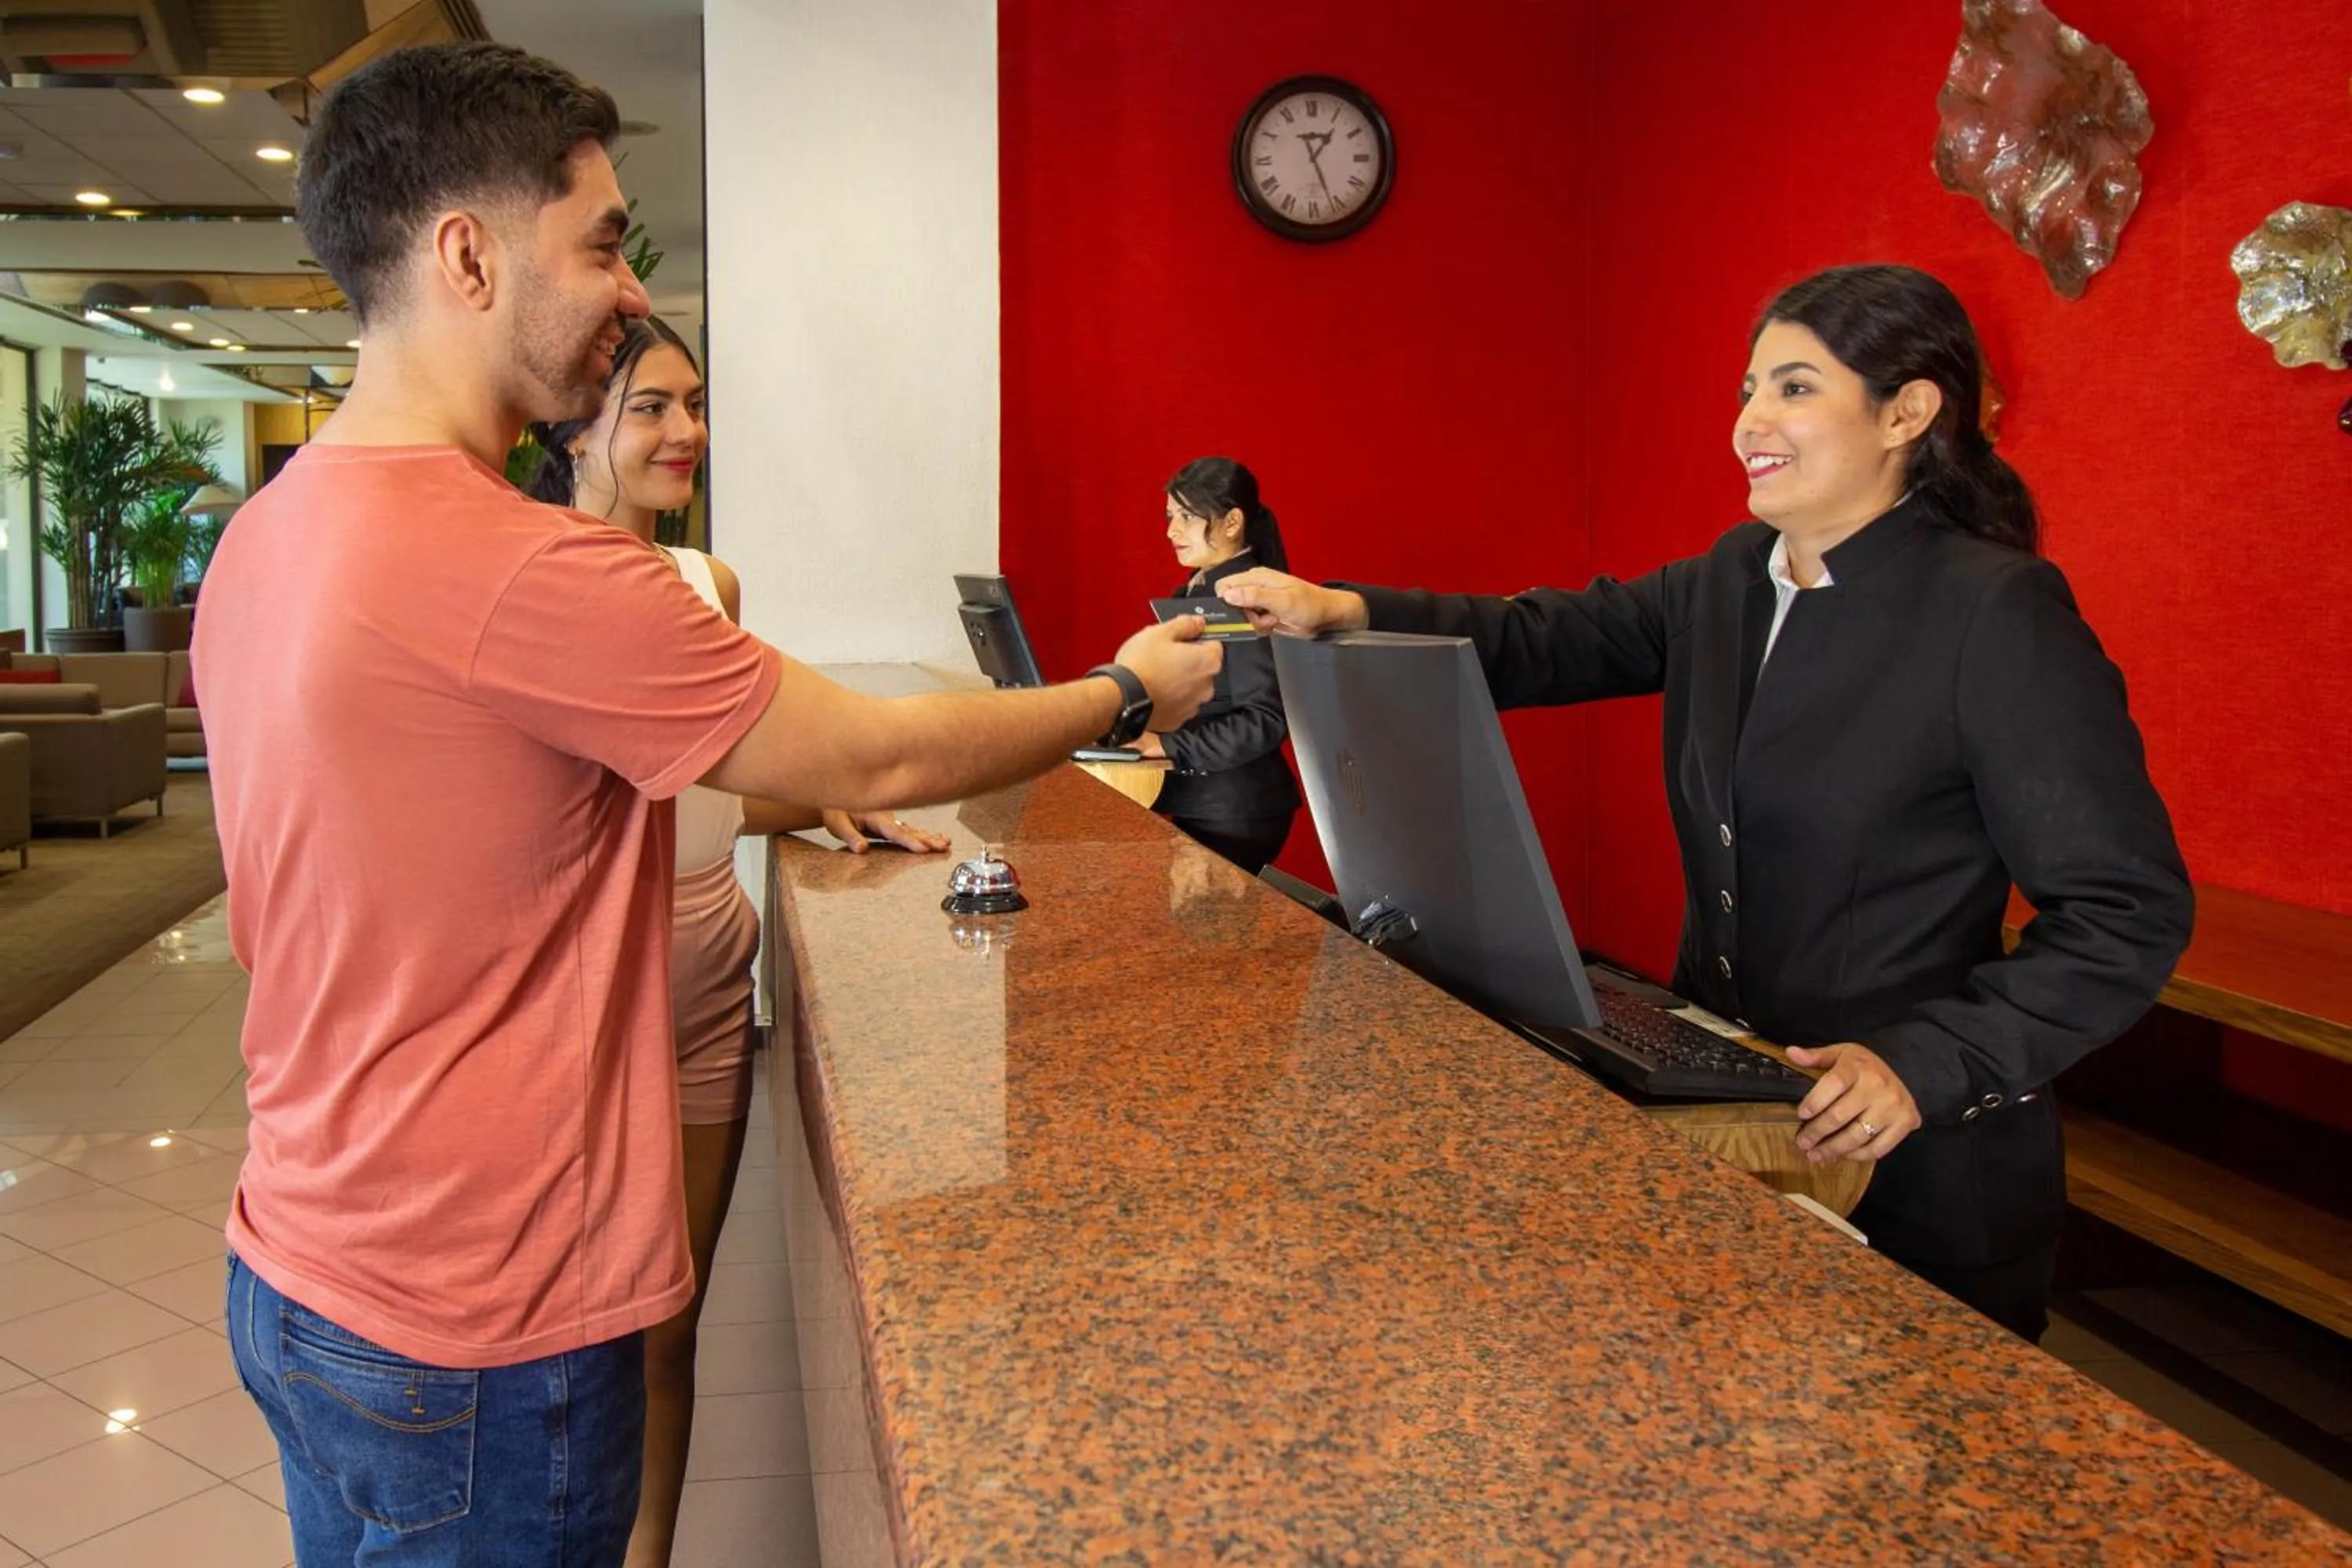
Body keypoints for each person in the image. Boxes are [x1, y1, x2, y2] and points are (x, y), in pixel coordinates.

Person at [196, 41, 1218, 1567]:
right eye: (601, 243)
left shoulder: (267, 536)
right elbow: (872, 756)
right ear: (467, 257)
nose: (629, 289)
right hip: (479, 1325)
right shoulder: (526, 569)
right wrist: (1124, 691)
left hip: (301, 1265)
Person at [1218, 264, 2192, 1341]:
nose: (1749, 423)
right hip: (1734, 1133)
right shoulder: (1734, 577)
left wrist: (1925, 1064)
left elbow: (2127, 912)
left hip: (1920, 1170)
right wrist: (1345, 611)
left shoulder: (1997, 611)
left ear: (1907, 412)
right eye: (1747, 390)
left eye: (1794, 388)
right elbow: (1540, 638)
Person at [524, 314, 949, 1567]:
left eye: (695, 405)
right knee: (580, 1330)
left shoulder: (709, 584)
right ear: (572, 429)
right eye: (651, 407)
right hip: (587, 995)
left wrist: (814, 800)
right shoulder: (533, 583)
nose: (687, 433)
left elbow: (696, 791)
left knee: (674, 1322)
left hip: (711, 976)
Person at [1125, 457, 1301, 873]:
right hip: (1206, 801)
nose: (1171, 531)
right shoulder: (1202, 590)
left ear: (1232, 522)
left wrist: (1168, 746)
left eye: (1186, 517)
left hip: (1235, 809)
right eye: (1170, 516)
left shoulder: (1247, 596)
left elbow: (1267, 718)